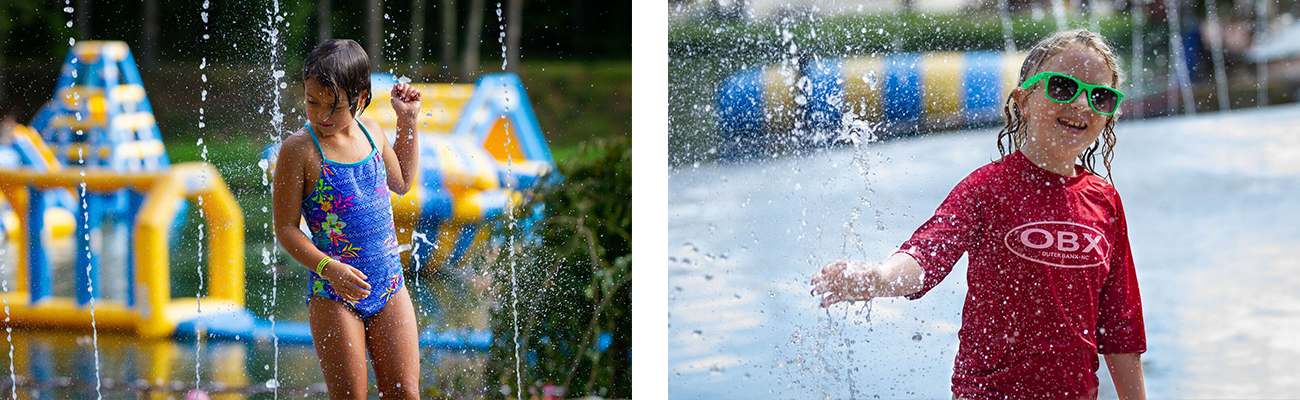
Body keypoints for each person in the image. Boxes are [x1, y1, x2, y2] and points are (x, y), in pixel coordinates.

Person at [811, 30, 1146, 400]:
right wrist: (877, 278)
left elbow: (1121, 329)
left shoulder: (1105, 202)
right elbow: (928, 252)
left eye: (1100, 96)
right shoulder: (987, 189)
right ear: (1024, 100)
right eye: (1063, 88)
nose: (1083, 104)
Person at [272, 39, 422, 399]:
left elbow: (401, 181)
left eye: (334, 106)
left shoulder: (372, 132)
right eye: (312, 101)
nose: (321, 115)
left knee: (405, 393)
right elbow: (286, 229)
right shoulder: (300, 150)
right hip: (335, 294)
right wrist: (329, 269)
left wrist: (407, 120)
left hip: (389, 285)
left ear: (362, 97)